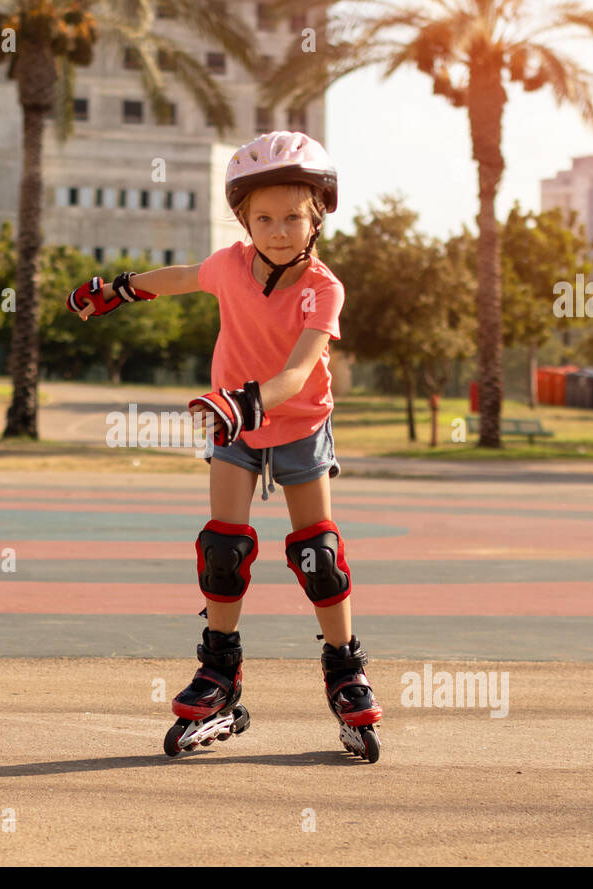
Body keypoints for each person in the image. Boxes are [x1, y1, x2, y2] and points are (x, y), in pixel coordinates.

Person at [67, 131, 381, 760]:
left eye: (293, 215)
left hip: (294, 424)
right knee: (222, 550)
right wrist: (124, 288)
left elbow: (296, 373)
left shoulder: (324, 288)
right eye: (262, 217)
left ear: (318, 214)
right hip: (232, 426)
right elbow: (184, 276)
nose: (279, 230)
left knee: (318, 553)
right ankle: (220, 676)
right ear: (244, 220)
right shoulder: (231, 266)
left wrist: (246, 402)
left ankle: (344, 667)